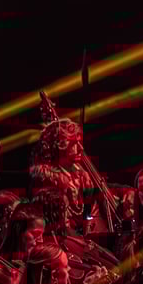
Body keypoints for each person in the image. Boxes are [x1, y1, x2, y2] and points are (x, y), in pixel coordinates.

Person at [30, 91, 96, 235]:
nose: (81, 148)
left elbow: (88, 214)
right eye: (74, 143)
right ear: (60, 145)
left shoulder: (82, 177)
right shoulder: (48, 181)